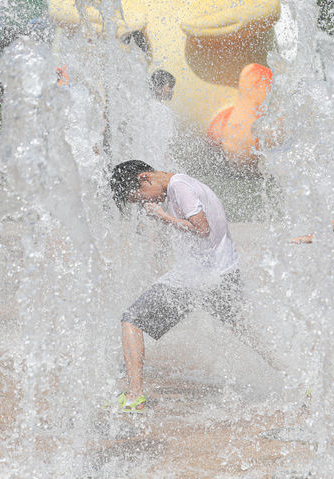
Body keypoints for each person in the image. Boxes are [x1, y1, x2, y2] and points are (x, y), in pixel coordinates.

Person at [109, 160, 277, 412]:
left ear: (145, 178)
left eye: (140, 197)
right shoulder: (185, 184)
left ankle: (134, 397)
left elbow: (202, 229)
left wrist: (163, 217)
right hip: (221, 274)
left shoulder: (179, 187)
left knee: (131, 320)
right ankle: (300, 376)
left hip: (200, 279)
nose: (145, 203)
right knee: (247, 331)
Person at [144, 70, 177, 170]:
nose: (172, 91)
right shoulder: (165, 112)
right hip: (156, 164)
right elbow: (165, 146)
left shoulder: (141, 107)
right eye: (170, 87)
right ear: (158, 87)